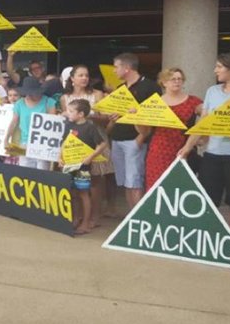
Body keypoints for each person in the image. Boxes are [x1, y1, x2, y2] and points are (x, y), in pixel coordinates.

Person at [179, 53, 230, 238]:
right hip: (212, 154)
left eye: (219, 66)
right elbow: (203, 121)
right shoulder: (212, 91)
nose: (215, 70)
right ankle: (208, 241)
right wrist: (187, 147)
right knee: (207, 198)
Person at [60, 65, 114, 226]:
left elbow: (106, 118)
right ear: (72, 78)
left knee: (96, 181)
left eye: (87, 75)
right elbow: (68, 121)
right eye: (81, 75)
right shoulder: (65, 98)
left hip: (95, 139)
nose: (84, 78)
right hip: (74, 144)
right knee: (76, 182)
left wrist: (89, 116)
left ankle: (94, 217)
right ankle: (79, 216)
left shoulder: (97, 94)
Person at [108, 53, 161, 210]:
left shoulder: (150, 87)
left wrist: (141, 137)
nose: (114, 71)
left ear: (127, 68)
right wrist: (114, 115)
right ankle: (131, 218)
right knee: (125, 182)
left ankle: (138, 217)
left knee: (135, 181)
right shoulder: (121, 88)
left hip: (135, 139)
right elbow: (119, 112)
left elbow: (156, 114)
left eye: (116, 67)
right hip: (118, 139)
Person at [144, 68, 203, 191]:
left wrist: (204, 138)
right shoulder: (155, 102)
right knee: (157, 187)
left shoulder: (193, 101)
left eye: (179, 79)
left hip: (184, 149)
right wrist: (135, 119)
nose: (177, 82)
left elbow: (208, 119)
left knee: (182, 188)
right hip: (159, 150)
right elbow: (145, 131)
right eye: (173, 79)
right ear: (164, 82)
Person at [60, 99, 108, 235]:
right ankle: (76, 218)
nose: (67, 113)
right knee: (73, 192)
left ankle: (86, 223)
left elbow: (102, 144)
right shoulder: (68, 125)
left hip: (83, 166)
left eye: (70, 111)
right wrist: (60, 157)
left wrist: (90, 157)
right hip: (69, 164)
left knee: (83, 193)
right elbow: (64, 142)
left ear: (80, 114)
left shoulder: (90, 127)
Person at [5, 77, 57, 169]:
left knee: (42, 174)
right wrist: (6, 139)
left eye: (33, 93)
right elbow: (13, 122)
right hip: (24, 143)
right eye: (27, 93)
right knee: (25, 174)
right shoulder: (19, 104)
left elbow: (53, 123)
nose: (30, 95)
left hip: (43, 143)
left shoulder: (48, 102)